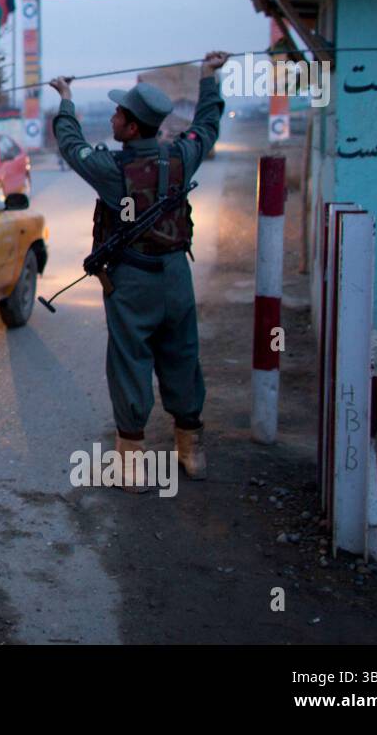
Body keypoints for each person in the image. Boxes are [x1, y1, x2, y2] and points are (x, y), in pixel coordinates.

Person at [48, 52, 229, 491]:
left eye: (117, 113)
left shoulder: (113, 170)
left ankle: (131, 464)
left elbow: (71, 146)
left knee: (130, 362)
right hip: (176, 277)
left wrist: (66, 99)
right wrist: (209, 78)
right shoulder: (181, 158)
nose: (112, 117)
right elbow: (207, 126)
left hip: (133, 280)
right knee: (182, 356)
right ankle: (191, 450)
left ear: (131, 127)